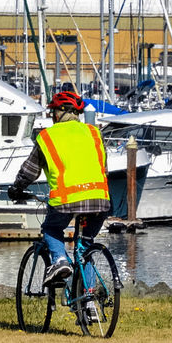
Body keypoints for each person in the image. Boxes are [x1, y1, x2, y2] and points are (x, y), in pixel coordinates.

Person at [8, 90, 111, 287]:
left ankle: (60, 260)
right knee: (85, 245)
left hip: (66, 200)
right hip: (100, 199)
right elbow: (103, 169)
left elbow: (29, 172)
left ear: (60, 112)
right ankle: (88, 299)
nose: (52, 116)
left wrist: (16, 189)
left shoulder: (47, 136)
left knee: (51, 228)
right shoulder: (94, 133)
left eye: (53, 112)